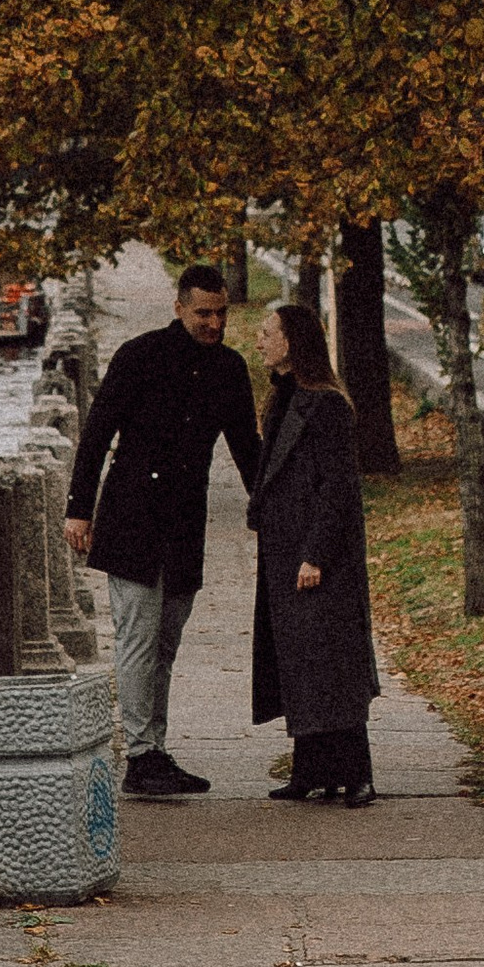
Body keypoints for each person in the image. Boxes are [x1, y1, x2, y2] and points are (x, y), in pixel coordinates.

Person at [64, 262, 260, 797]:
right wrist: (79, 508)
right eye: (204, 313)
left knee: (167, 643)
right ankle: (141, 754)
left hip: (184, 522)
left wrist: (270, 509)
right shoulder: (139, 356)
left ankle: (156, 750)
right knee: (137, 639)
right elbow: (96, 433)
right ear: (179, 307)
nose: (214, 323)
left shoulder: (229, 370)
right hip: (131, 515)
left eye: (221, 313)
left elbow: (248, 449)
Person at [250, 298, 381, 809]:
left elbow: (339, 490)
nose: (259, 340)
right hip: (286, 548)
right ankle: (311, 770)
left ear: (291, 342)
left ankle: (357, 774)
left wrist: (317, 554)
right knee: (302, 662)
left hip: (316, 554)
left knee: (333, 662)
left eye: (266, 332)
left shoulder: (326, 405)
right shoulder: (284, 398)